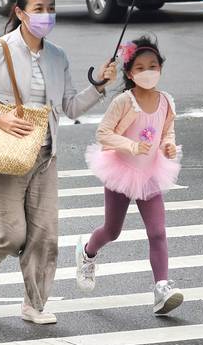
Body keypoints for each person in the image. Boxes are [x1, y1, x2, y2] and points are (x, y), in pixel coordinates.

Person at [0, 0, 117, 324]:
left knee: (44, 236)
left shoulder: (58, 56)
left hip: (45, 157)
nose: (46, 15)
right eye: (38, 9)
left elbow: (70, 108)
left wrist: (99, 85)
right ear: (20, 12)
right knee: (11, 234)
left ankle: (35, 304)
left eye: (50, 9)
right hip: (6, 157)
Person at [75, 35, 184, 316]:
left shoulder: (166, 102)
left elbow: (166, 131)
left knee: (158, 232)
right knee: (112, 230)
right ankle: (87, 252)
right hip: (121, 170)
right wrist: (131, 145)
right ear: (129, 73)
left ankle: (161, 287)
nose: (148, 72)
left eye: (153, 66)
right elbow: (103, 134)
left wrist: (168, 146)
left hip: (149, 173)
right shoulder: (125, 101)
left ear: (161, 68)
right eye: (140, 68)